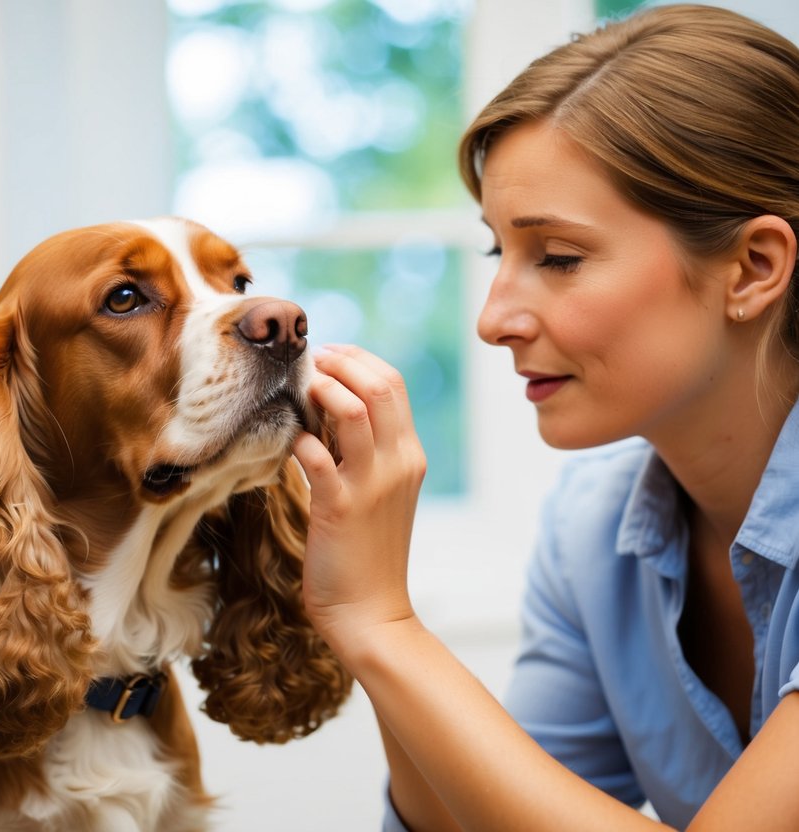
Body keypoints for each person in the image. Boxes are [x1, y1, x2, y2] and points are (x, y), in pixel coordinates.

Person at [292, 4, 799, 830]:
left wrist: (380, 622)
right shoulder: (592, 532)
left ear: (752, 267)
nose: (492, 320)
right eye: (499, 252)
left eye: (557, 257)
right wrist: (364, 620)